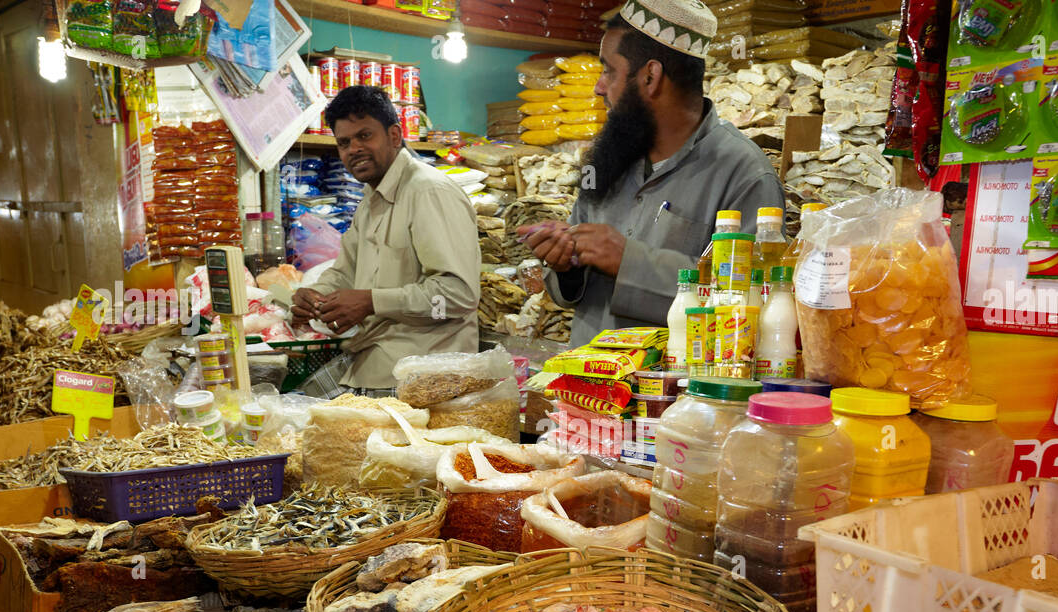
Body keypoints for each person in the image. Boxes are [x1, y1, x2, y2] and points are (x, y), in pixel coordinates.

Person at [521, 0, 785, 348]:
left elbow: (752, 304)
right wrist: (566, 263)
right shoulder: (608, 157)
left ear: (650, 76)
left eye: (609, 71)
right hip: (587, 388)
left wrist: (628, 260)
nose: (599, 88)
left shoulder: (745, 175)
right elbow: (570, 292)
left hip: (672, 399)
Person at [291, 86, 480, 394]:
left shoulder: (428, 192)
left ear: (394, 136)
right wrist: (313, 296)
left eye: (365, 136)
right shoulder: (369, 202)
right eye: (344, 142)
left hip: (424, 375)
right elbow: (345, 272)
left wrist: (371, 301)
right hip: (373, 360)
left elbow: (459, 294)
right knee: (286, 412)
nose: (354, 149)